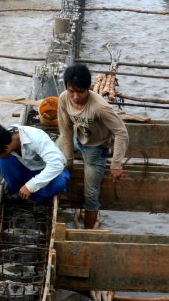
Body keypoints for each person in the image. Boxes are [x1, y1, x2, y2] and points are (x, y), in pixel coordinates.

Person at [56, 63, 129, 229]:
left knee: (91, 194)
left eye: (80, 92)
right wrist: (68, 160)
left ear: (88, 88)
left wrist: (117, 164)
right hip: (77, 136)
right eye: (71, 91)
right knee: (53, 155)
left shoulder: (100, 107)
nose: (75, 96)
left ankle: (87, 232)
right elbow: (66, 128)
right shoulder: (63, 99)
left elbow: (121, 132)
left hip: (96, 148)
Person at [0, 124, 70, 218]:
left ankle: (38, 200)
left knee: (58, 183)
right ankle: (18, 194)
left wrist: (31, 186)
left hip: (43, 170)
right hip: (23, 170)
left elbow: (57, 164)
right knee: (2, 161)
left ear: (6, 147)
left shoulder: (35, 137)